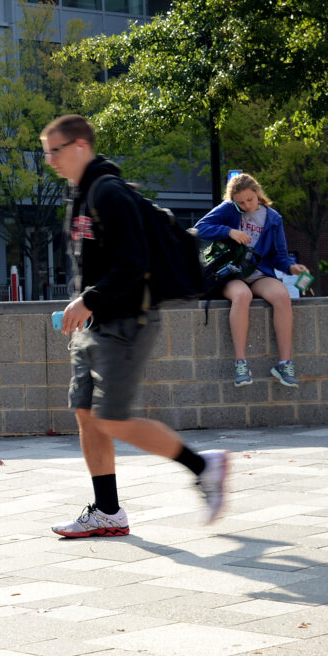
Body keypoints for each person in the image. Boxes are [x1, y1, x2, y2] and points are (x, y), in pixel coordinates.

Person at [42, 114, 230, 540]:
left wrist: (88, 298)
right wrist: (85, 303)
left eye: (55, 150)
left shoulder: (108, 193)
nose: (49, 159)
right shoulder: (82, 194)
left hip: (127, 322)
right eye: (46, 152)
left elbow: (134, 264)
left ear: (79, 147)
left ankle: (205, 466)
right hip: (97, 322)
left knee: (112, 420)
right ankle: (108, 511)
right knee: (87, 416)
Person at [192, 172, 309, 388]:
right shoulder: (228, 209)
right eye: (241, 202)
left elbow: (279, 257)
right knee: (242, 296)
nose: (246, 205)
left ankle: (284, 363)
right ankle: (241, 363)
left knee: (282, 295)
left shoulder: (273, 218)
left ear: (257, 193)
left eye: (250, 200)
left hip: (259, 273)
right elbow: (199, 228)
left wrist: (292, 267)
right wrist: (229, 231)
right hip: (231, 273)